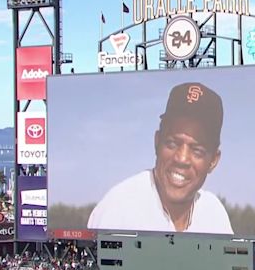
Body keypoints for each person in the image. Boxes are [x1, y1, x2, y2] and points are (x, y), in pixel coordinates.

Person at [87, 82, 233, 234]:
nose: (181, 159)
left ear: (213, 161)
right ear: (157, 141)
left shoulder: (215, 214)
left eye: (197, 151)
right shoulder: (118, 210)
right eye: (172, 143)